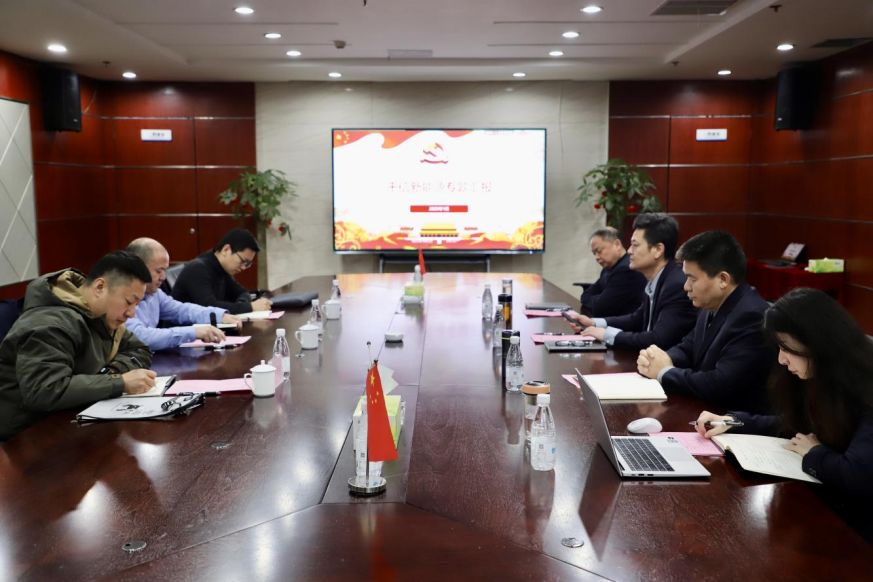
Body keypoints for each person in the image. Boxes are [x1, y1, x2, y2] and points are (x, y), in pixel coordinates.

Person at [694, 288, 873, 544]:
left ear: (816, 341)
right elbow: (793, 426)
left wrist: (814, 453)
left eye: (786, 347)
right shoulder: (823, 375)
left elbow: (858, 475)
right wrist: (733, 422)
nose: (781, 360)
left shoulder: (866, 385)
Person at [0, 251, 157, 441]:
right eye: (129, 302)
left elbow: (140, 350)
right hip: (26, 436)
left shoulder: (101, 316)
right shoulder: (49, 324)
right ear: (99, 287)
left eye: (137, 305)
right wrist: (119, 382)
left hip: (72, 420)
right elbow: (44, 390)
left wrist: (111, 372)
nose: (132, 313)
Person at [636, 231, 772, 412]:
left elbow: (720, 383)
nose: (686, 286)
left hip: (732, 420)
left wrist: (665, 372)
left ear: (723, 279)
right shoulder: (711, 303)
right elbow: (689, 346)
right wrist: (658, 360)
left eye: (692, 279)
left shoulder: (751, 316)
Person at [566, 213, 697, 351]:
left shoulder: (676, 285)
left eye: (635, 245)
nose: (629, 251)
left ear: (658, 250)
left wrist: (607, 335)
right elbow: (637, 319)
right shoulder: (657, 279)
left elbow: (658, 339)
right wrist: (594, 323)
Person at [125, 238, 243, 351]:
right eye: (158, 271)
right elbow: (140, 337)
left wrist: (219, 316)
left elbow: (182, 310)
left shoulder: (155, 294)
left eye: (165, 271)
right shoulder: (123, 296)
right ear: (139, 268)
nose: (163, 277)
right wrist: (194, 332)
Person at [172, 228, 272, 315]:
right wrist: (250, 307)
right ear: (226, 250)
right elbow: (209, 307)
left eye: (247, 264)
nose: (243, 268)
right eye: (243, 261)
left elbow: (243, 292)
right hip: (184, 330)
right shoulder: (198, 269)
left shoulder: (222, 268)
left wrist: (241, 304)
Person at [580, 227, 647, 317]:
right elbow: (586, 295)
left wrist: (597, 299)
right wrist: (598, 299)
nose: (597, 257)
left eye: (599, 251)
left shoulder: (626, 270)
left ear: (617, 244)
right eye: (594, 253)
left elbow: (600, 308)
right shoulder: (608, 268)